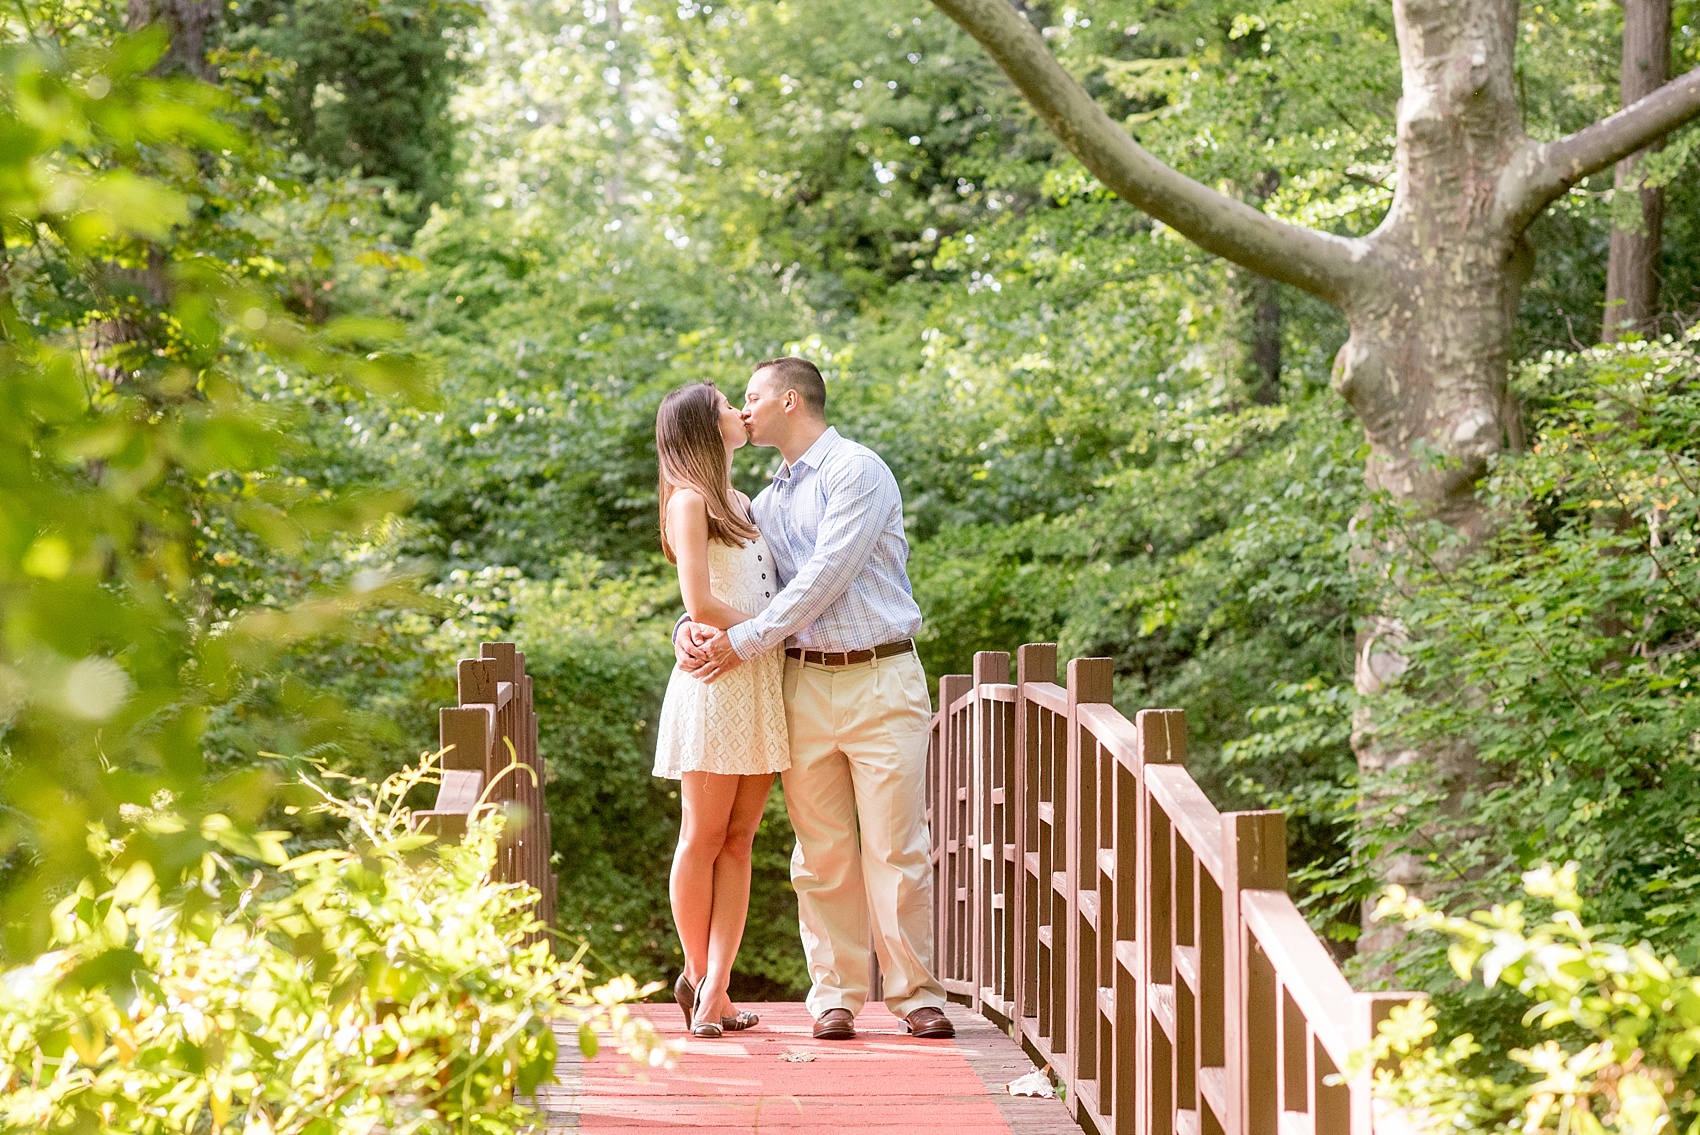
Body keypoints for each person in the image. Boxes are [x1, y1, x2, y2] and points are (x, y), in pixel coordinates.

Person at [678, 356, 953, 1041]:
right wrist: (688, 624)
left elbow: (825, 576)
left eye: (752, 398)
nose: (743, 411)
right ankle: (836, 993)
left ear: (790, 401)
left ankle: (915, 993)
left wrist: (739, 641)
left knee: (896, 845)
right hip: (799, 679)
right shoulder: (765, 503)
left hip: (880, 676)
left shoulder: (856, 470)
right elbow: (744, 585)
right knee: (820, 850)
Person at [651, 381, 790, 1039]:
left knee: (739, 840)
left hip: (756, 679)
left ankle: (717, 987)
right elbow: (702, 602)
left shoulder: (742, 503)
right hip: (715, 682)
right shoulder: (689, 500)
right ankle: (699, 976)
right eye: (725, 406)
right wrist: (777, 628)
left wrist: (765, 634)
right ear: (704, 428)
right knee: (702, 836)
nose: (740, 410)